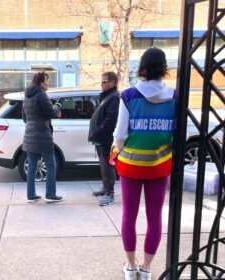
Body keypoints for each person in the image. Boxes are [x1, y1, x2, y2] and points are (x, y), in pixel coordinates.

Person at [113, 47, 176, 280]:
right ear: (164, 68)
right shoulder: (175, 96)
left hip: (130, 165)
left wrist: (118, 151)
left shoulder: (128, 96)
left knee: (129, 215)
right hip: (159, 166)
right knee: (155, 217)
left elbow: (119, 135)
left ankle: (131, 268)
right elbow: (177, 132)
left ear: (142, 68)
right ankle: (147, 268)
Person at [22, 71, 62, 203]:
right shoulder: (42, 95)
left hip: (29, 135)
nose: (47, 83)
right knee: (51, 165)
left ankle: (31, 195)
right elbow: (51, 113)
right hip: (43, 136)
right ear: (40, 83)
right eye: (46, 81)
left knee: (32, 165)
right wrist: (57, 106)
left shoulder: (26, 96)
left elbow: (24, 118)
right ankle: (50, 195)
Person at [88, 71, 119, 206]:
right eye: (101, 82)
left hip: (107, 139)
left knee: (107, 165)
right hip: (101, 138)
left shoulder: (114, 98)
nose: (101, 84)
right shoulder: (107, 97)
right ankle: (105, 188)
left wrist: (99, 132)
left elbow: (110, 120)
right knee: (103, 165)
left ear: (113, 83)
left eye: (104, 82)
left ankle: (109, 194)